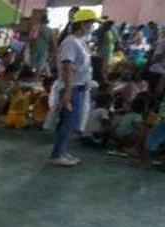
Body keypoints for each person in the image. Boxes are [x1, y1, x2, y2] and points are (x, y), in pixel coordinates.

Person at [49, 9, 98, 167]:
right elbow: (67, 67)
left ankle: (62, 151)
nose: (92, 27)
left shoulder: (80, 41)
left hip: (79, 87)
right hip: (71, 87)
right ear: (83, 24)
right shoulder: (70, 42)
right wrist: (68, 92)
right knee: (67, 122)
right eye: (91, 23)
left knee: (69, 121)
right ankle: (57, 154)